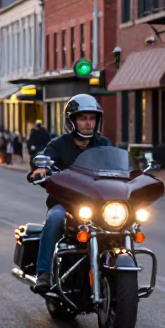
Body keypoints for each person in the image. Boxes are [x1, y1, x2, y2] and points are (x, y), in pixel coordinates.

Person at [27, 95, 112, 294]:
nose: (88, 123)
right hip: (66, 204)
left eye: (92, 118)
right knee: (55, 217)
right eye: (83, 118)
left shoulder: (103, 143)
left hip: (98, 204)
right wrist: (40, 169)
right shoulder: (59, 145)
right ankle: (43, 273)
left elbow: (117, 167)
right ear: (72, 121)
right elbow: (45, 159)